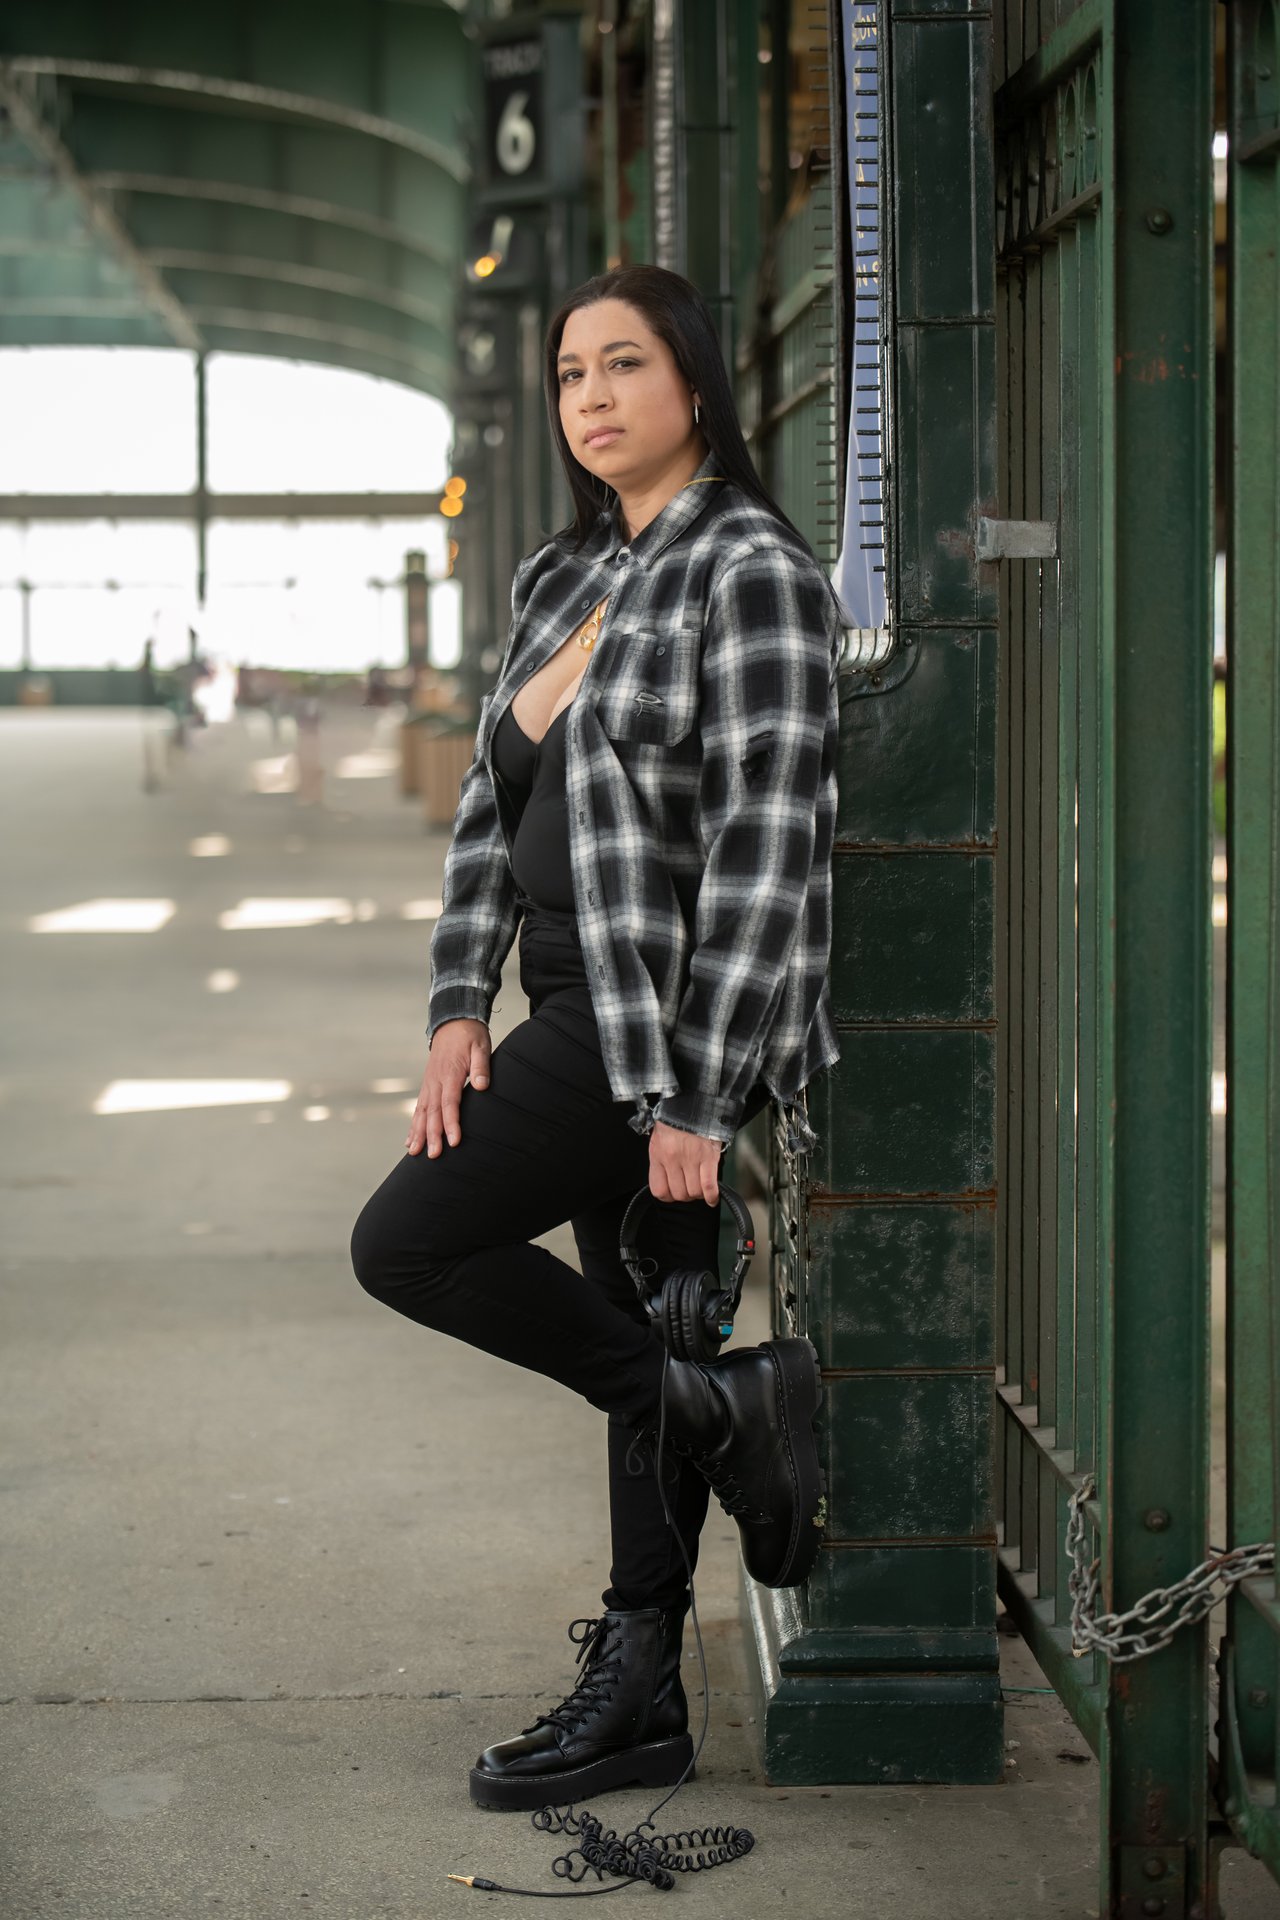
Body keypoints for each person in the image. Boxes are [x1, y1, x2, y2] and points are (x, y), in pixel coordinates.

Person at [350, 263, 844, 1813]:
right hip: (559, 1001)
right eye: (571, 374)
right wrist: (453, 1006)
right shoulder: (563, 577)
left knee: (409, 1241)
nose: (591, 398)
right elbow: (489, 821)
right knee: (645, 1335)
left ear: (696, 381)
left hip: (663, 1026)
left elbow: (774, 846)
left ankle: (704, 1419)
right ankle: (644, 1670)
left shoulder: (751, 570)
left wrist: (700, 1090)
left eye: (624, 365)